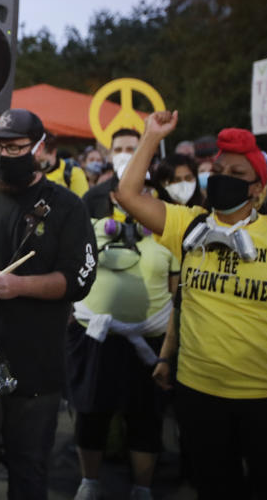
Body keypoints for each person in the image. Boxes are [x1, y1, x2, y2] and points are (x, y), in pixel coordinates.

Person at [116, 111, 267, 499]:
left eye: (237, 173)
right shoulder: (189, 225)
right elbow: (128, 195)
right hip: (200, 397)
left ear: (258, 189)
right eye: (218, 169)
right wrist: (150, 136)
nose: (223, 177)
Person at [0, 108, 97, 500]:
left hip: (36, 363)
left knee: (28, 470)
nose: (5, 155)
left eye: (16, 147)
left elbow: (78, 279)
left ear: (40, 149)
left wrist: (19, 285)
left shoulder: (66, 205)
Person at [67, 209, 176, 500]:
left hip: (149, 343)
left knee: (145, 417)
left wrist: (168, 351)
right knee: (91, 413)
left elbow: (177, 296)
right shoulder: (93, 228)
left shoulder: (168, 238)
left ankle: (142, 488)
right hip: (96, 339)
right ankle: (89, 482)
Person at [83, 128, 141, 219]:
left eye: (130, 149)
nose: (123, 155)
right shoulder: (92, 197)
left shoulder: (155, 193)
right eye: (118, 150)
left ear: (142, 153)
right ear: (110, 155)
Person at [35, 131, 88, 197]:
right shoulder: (32, 173)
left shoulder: (72, 173)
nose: (39, 164)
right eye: (35, 159)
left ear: (53, 152)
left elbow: (82, 202)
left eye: (42, 160)